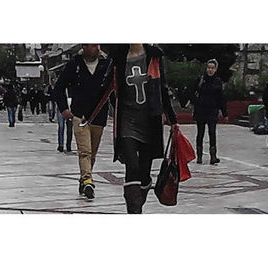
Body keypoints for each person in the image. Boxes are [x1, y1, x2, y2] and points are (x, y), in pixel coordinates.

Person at [111, 44, 178, 214]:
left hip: (149, 123)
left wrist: (173, 120)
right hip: (127, 122)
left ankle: (141, 194)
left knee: (144, 172)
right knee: (132, 166)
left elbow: (162, 88)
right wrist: (88, 114)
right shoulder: (118, 57)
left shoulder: (153, 57)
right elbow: (107, 87)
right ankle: (134, 211)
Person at [53, 44, 112, 199]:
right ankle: (87, 180)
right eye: (89, 45)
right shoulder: (75, 63)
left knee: (92, 153)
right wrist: (64, 108)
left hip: (99, 115)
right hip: (80, 115)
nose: (93, 48)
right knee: (84, 151)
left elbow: (113, 89)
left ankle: (84, 178)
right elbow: (59, 87)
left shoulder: (106, 64)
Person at [189, 59, 227, 165]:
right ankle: (199, 156)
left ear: (215, 69)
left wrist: (224, 113)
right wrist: (197, 102)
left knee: (212, 133)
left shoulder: (217, 81)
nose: (210, 70)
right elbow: (191, 93)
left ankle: (213, 156)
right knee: (200, 133)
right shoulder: (200, 80)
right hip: (200, 110)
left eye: (212, 68)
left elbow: (221, 98)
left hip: (212, 111)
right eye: (209, 67)